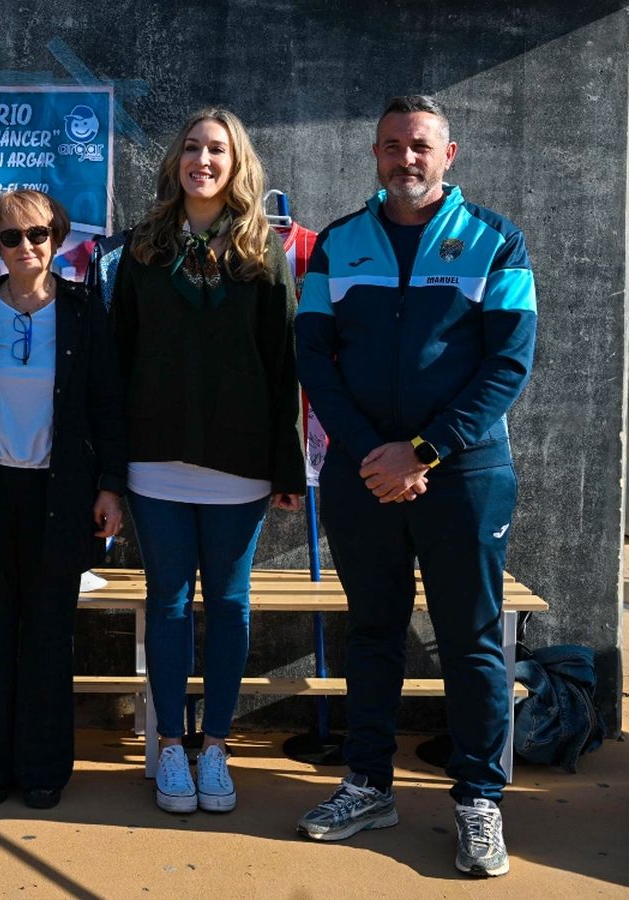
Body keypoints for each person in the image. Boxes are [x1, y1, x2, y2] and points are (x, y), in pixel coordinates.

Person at [294, 95, 536, 878]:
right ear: (374, 154)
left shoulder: (495, 241)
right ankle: (367, 784)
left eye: (420, 146)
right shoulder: (338, 244)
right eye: (392, 145)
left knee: (470, 640)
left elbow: (508, 365)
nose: (406, 158)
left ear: (449, 154)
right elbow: (312, 359)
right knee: (373, 632)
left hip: (464, 472)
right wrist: (375, 453)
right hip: (364, 471)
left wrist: (423, 452)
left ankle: (478, 802)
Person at [110, 108, 304, 815]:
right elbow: (118, 357)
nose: (202, 158)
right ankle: (168, 748)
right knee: (165, 603)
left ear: (236, 161)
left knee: (227, 604)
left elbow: (286, 366)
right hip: (154, 459)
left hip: (240, 462)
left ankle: (215, 747)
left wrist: (287, 469)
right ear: (176, 161)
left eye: (216, 149)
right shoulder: (144, 247)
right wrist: (110, 464)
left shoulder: (262, 250)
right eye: (191, 146)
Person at [0, 189, 126, 809]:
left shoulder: (88, 311)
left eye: (38, 234)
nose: (26, 247)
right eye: (11, 237)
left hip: (59, 494)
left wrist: (111, 486)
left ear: (57, 238)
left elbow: (108, 406)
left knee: (46, 635)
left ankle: (42, 768)